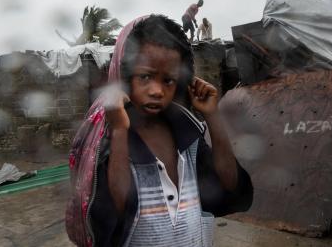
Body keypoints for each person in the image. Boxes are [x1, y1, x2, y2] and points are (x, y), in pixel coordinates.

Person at [66, 15, 252, 247]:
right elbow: (114, 211)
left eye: (168, 80)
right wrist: (120, 131)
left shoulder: (186, 133)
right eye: (145, 77)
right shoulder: (108, 138)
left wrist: (212, 116)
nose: (157, 91)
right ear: (124, 76)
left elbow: (229, 184)